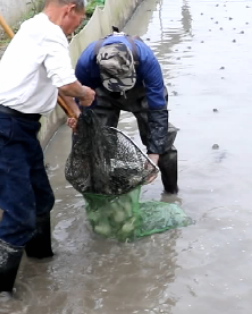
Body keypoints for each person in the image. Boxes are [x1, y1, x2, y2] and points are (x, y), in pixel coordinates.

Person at [0, 0, 97, 296]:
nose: (75, 28)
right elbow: (66, 82)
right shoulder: (51, 33)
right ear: (69, 10)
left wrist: (73, 111)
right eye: (78, 21)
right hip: (5, 128)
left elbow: (49, 84)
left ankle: (41, 261)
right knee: (19, 215)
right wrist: (85, 94)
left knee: (42, 200)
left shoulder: (34, 27)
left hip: (19, 127)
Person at [73, 28, 179, 195]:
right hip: (102, 94)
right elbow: (81, 109)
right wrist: (81, 147)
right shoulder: (86, 63)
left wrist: (154, 154)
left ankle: (172, 193)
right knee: (97, 146)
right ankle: (104, 195)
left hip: (141, 91)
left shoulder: (146, 59)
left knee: (163, 143)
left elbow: (158, 110)